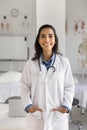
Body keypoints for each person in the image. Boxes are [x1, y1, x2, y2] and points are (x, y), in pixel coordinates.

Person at [21, 24, 75, 130]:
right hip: (37, 115)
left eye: (50, 36)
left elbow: (69, 86)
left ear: (55, 40)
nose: (47, 39)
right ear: (38, 40)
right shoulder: (30, 63)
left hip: (57, 115)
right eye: (43, 36)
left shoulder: (64, 62)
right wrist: (28, 106)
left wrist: (66, 106)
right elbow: (24, 86)